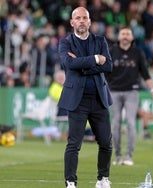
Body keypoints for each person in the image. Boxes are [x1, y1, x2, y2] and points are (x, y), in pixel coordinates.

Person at [58, 7, 113, 188]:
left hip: (99, 98)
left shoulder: (100, 40)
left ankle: (103, 179)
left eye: (85, 18)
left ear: (89, 22)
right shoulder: (65, 43)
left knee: (106, 142)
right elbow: (69, 63)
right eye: (78, 18)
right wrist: (96, 59)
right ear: (72, 22)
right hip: (77, 100)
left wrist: (83, 65)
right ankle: (70, 182)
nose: (81, 21)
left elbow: (108, 66)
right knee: (74, 144)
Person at [106, 27, 153, 166]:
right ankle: (118, 156)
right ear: (119, 37)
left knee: (131, 123)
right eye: (123, 33)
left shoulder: (137, 52)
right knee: (115, 124)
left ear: (132, 37)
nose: (125, 36)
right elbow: (105, 72)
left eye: (128, 34)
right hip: (114, 91)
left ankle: (129, 156)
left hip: (132, 91)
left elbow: (145, 73)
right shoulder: (111, 51)